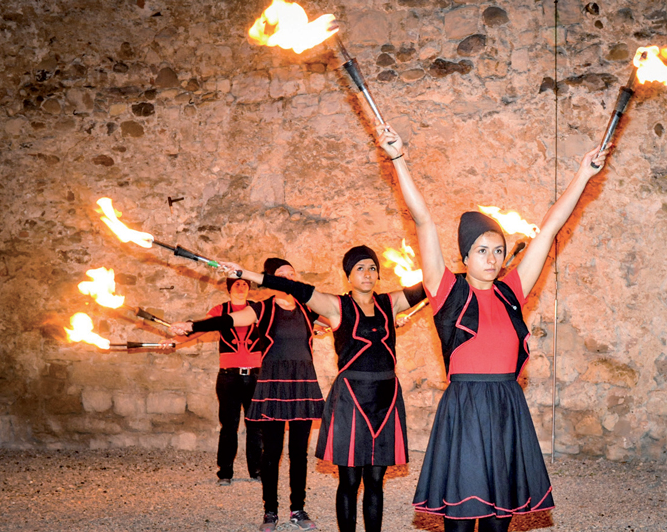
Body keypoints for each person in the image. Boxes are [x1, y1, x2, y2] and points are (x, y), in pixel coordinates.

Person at [375, 124, 610, 532]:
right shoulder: (446, 290)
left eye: (498, 250)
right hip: (465, 406)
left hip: (506, 405)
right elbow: (423, 220)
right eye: (482, 251)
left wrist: (583, 175)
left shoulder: (511, 290)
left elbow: (550, 226)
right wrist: (398, 158)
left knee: (501, 519)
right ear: (465, 256)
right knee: (463, 519)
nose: (492, 258)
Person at [212, 248, 425, 532]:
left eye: (372, 268)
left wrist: (475, 271)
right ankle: (277, 510)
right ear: (348, 275)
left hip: (385, 399)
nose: (367, 273)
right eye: (360, 268)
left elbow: (434, 284)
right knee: (349, 480)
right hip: (352, 397)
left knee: (376, 479)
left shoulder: (390, 302)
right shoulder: (335, 305)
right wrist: (246, 274)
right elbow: (291, 287)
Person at [170, 258, 324, 532]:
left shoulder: (309, 308)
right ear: (271, 280)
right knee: (272, 452)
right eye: (281, 274)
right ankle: (270, 511)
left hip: (302, 384)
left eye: (292, 272)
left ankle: (298, 509)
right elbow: (227, 320)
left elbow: (346, 320)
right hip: (273, 384)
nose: (289, 277)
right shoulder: (262, 309)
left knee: (299, 453)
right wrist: (193, 325)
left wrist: (389, 321)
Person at [163, 274, 263, 486]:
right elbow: (200, 329)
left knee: (256, 425)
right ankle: (225, 472)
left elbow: (277, 329)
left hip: (255, 374)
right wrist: (175, 341)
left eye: (245, 284)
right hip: (229, 376)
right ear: (229, 289)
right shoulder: (220, 311)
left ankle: (257, 470)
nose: (241, 286)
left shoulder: (258, 309)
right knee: (229, 425)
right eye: (237, 284)